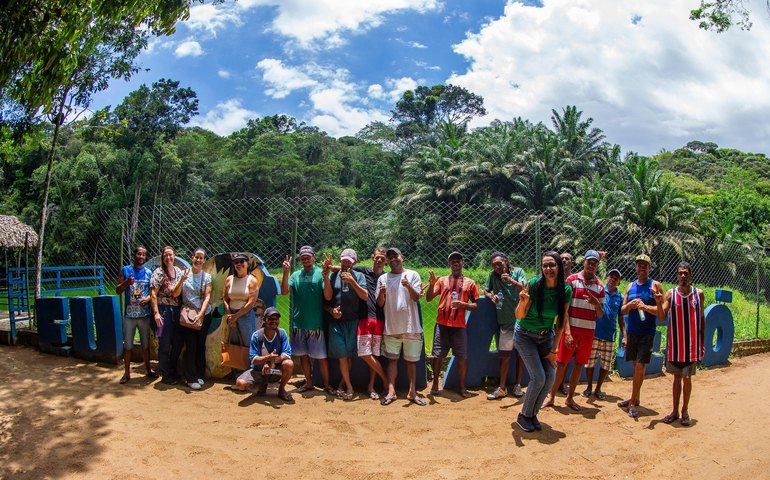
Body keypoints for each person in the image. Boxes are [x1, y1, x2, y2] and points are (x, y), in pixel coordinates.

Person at [514, 251, 571, 432]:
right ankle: (524, 415)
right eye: (545, 265)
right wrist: (523, 302)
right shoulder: (534, 284)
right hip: (525, 335)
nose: (548, 269)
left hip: (546, 337)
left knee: (550, 377)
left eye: (552, 265)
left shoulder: (566, 290)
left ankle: (532, 414)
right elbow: (519, 315)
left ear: (559, 267)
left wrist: (554, 349)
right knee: (538, 376)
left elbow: (562, 321)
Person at [544, 249, 605, 411]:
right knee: (562, 363)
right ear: (584, 262)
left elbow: (600, 314)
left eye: (595, 263)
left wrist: (596, 303)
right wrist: (568, 332)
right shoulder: (572, 280)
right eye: (589, 262)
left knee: (579, 365)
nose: (591, 265)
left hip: (588, 332)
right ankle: (551, 396)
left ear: (597, 266)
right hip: (571, 331)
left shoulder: (600, 287)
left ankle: (570, 398)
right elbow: (564, 310)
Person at [280, 246, 334, 395]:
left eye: (308, 256)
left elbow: (328, 296)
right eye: (302, 257)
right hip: (299, 323)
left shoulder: (320, 274)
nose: (305, 259)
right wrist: (285, 272)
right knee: (303, 356)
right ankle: (309, 383)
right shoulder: (295, 275)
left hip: (316, 324)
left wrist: (326, 276)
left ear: (313, 257)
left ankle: (327, 385)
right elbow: (284, 291)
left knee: (321, 358)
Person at [376, 247, 425, 406]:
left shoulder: (412, 275)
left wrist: (408, 286)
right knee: (392, 360)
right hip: (391, 327)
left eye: (395, 256)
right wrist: (382, 292)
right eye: (389, 257)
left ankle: (412, 392)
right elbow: (380, 303)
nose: (392, 259)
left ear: (402, 257)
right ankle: (392, 391)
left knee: (411, 362)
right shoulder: (383, 278)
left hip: (412, 327)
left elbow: (416, 298)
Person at [426, 251, 479, 398]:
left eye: (458, 260)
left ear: (462, 263)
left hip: (459, 326)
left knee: (462, 357)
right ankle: (435, 384)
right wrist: (431, 285)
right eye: (452, 261)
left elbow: (476, 305)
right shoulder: (442, 281)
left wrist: (463, 305)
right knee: (437, 355)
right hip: (442, 324)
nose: (455, 263)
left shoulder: (470, 283)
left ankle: (462, 387)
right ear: (449, 264)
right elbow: (429, 298)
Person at [658, 262, 704, 427]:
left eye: (685, 273)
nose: (683, 276)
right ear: (677, 276)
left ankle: (685, 411)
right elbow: (662, 317)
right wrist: (658, 301)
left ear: (691, 275)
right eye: (680, 273)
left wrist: (702, 341)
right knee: (676, 378)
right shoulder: (671, 294)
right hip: (676, 347)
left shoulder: (699, 294)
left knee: (687, 378)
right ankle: (675, 411)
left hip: (691, 347)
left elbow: (701, 318)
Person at [618, 254, 664, 418]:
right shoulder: (630, 286)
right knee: (635, 364)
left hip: (647, 333)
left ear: (649, 268)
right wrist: (630, 305)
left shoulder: (655, 285)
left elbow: (661, 313)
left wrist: (645, 307)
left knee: (640, 367)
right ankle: (635, 398)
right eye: (639, 264)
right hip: (632, 332)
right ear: (636, 267)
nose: (642, 267)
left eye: (645, 265)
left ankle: (632, 402)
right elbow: (622, 310)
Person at [483, 252, 527, 400]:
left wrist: (511, 281)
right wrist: (491, 297)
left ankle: (518, 385)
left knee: (521, 355)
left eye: (499, 263)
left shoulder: (518, 272)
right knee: (505, 355)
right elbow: (486, 290)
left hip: (521, 321)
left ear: (506, 262)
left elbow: (524, 290)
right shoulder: (493, 276)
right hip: (505, 321)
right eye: (494, 265)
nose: (496, 267)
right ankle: (502, 387)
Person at [325, 248, 368, 400]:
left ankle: (342, 385)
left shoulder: (359, 276)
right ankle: (349, 387)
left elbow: (364, 296)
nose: (345, 263)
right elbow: (326, 299)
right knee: (342, 356)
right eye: (343, 260)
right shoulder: (334, 276)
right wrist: (332, 311)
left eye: (349, 261)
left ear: (354, 262)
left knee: (349, 356)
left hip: (353, 321)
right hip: (337, 323)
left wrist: (352, 281)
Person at [172, 248, 213, 391]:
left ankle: (199, 374)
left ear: (204, 261)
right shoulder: (184, 274)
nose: (198, 260)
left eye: (201, 258)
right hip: (188, 316)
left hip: (203, 314)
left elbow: (207, 296)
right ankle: (190, 378)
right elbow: (175, 293)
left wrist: (201, 314)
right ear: (192, 258)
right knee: (191, 346)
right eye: (196, 257)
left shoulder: (207, 277)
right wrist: (182, 280)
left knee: (201, 345)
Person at [234, 307, 295, 402]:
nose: (274, 321)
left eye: (276, 319)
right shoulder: (257, 336)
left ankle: (281, 390)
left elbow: (287, 353)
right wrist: (268, 358)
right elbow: (253, 359)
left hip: (274, 371)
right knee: (241, 384)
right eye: (270, 319)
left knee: (289, 364)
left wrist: (272, 362)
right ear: (264, 320)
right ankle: (260, 384)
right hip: (258, 371)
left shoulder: (281, 333)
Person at [116, 245, 156, 384]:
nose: (141, 257)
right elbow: (117, 290)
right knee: (128, 346)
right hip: (129, 316)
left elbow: (153, 292)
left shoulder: (148, 273)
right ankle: (127, 373)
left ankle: (148, 370)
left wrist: (149, 299)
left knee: (145, 345)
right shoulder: (126, 270)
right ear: (134, 255)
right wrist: (127, 283)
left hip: (144, 315)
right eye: (139, 254)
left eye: (144, 255)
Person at [583, 268, 625, 399]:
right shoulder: (600, 291)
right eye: (611, 277)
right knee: (590, 362)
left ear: (619, 282)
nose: (613, 279)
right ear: (606, 278)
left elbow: (621, 318)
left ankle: (598, 388)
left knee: (605, 364)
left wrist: (625, 336)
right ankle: (589, 386)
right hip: (595, 332)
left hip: (610, 335)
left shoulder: (620, 297)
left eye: (616, 278)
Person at [353, 247, 389, 400]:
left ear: (386, 261)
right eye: (377, 257)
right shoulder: (363, 271)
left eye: (382, 258)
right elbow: (346, 268)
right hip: (365, 318)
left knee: (375, 353)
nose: (379, 260)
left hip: (381, 319)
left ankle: (371, 386)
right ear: (372, 257)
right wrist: (331, 267)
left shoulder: (388, 277)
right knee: (364, 352)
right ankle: (386, 380)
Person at [150, 245, 184, 385]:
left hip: (176, 311)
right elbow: (153, 293)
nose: (168, 258)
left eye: (170, 255)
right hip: (164, 311)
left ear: (174, 255)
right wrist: (156, 313)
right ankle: (165, 373)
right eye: (165, 255)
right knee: (164, 344)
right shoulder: (158, 272)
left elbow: (179, 292)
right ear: (162, 258)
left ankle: (172, 370)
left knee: (177, 343)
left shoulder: (178, 271)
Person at [222, 253, 259, 352]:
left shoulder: (252, 280)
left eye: (242, 261)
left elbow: (251, 303)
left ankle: (250, 367)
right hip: (231, 314)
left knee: (248, 344)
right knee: (233, 344)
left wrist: (236, 316)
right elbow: (225, 299)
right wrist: (230, 315)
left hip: (245, 315)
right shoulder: (229, 279)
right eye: (236, 262)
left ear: (248, 263)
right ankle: (235, 367)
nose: (239, 264)